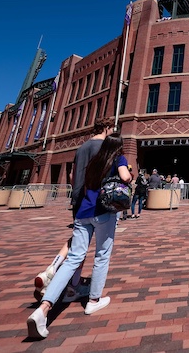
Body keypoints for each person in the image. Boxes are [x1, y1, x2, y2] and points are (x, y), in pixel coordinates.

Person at [27, 133, 130, 339]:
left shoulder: (93, 162)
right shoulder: (118, 158)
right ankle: (93, 301)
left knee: (73, 258)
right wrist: (128, 174)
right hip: (104, 212)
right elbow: (125, 177)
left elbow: (81, 183)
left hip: (84, 212)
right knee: (102, 256)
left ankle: (44, 308)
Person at [71, 117, 114, 220]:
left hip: (78, 198)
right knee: (102, 235)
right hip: (96, 199)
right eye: (112, 129)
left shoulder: (81, 148)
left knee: (80, 233)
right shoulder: (105, 147)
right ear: (106, 128)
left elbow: (72, 174)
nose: (112, 132)